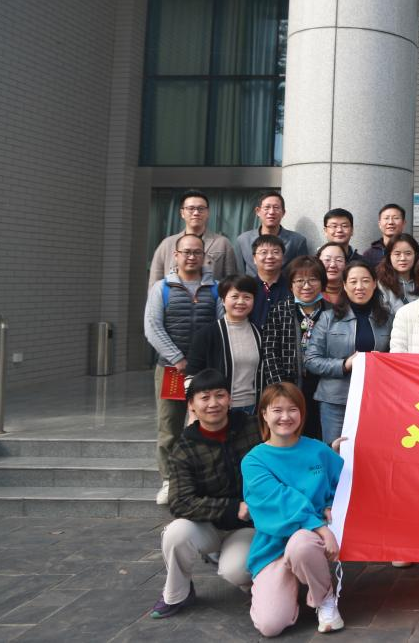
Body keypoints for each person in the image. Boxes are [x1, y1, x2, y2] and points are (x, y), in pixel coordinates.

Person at [150, 369, 261, 620]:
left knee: (235, 571)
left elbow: (288, 448)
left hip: (247, 527)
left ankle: (236, 565)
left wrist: (328, 449)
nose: (213, 403)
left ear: (230, 399)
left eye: (220, 395)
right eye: (205, 397)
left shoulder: (252, 427)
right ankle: (177, 593)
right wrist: (232, 508)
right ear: (191, 405)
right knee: (175, 533)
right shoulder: (185, 447)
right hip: (207, 526)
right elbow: (180, 502)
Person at [243, 382, 345, 636]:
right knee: (270, 626)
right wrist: (322, 528)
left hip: (307, 542)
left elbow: (343, 484)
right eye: (277, 410)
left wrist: (332, 504)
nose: (285, 417)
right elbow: (281, 501)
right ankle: (284, 586)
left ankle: (324, 599)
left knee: (301, 544)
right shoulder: (254, 460)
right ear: (264, 414)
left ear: (302, 413)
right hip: (273, 547)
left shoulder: (319, 450)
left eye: (293, 409)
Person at [145, 232, 218, 505]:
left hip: (205, 370)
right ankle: (169, 480)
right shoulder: (162, 288)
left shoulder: (215, 289)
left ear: (204, 256)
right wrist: (176, 358)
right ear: (175, 256)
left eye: (197, 252)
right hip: (171, 370)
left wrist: (204, 361)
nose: (191, 256)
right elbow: (152, 327)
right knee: (169, 427)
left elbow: (221, 325)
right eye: (186, 252)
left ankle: (204, 479)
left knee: (207, 425)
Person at [305, 260, 393, 444]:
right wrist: (344, 365)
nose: (359, 287)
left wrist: (382, 361)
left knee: (371, 450)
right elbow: (311, 360)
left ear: (374, 284)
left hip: (374, 398)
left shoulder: (387, 319)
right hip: (335, 400)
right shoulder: (328, 318)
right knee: (336, 451)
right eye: (353, 281)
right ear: (344, 286)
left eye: (365, 281)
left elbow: (396, 356)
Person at [261, 256, 328, 440]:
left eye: (313, 279)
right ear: (290, 285)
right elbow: (269, 351)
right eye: (299, 280)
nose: (306, 286)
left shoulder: (332, 311)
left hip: (323, 385)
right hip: (289, 384)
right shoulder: (280, 310)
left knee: (319, 434)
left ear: (322, 283)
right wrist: (280, 389)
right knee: (291, 435)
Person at [186, 275, 265, 414]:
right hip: (216, 411)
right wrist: (194, 410)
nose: (241, 302)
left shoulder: (261, 333)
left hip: (253, 409)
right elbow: (192, 376)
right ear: (223, 300)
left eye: (247, 297)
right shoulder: (207, 334)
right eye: (235, 296)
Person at [148, 190, 240, 284]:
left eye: (201, 208)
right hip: (174, 293)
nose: (196, 213)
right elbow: (155, 282)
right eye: (191, 208)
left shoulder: (222, 243)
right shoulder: (167, 244)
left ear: (208, 212)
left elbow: (231, 282)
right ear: (182, 213)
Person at [236, 191, 309, 276]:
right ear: (258, 211)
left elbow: (302, 273)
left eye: (276, 207)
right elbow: (239, 273)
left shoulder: (297, 241)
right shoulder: (243, 240)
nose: (271, 212)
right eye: (267, 208)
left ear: (283, 212)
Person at [249, 234, 291, 329]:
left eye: (275, 252)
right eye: (263, 252)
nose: (270, 256)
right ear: (254, 258)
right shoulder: (246, 287)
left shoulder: (292, 287)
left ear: (283, 257)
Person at [376, 233, 419, 312]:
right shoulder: (381, 284)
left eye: (408, 253)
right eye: (397, 254)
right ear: (389, 256)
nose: (403, 258)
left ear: (416, 255)